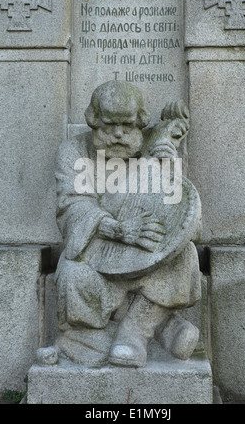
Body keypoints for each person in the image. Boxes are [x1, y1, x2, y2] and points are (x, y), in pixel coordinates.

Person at [53, 80, 201, 367]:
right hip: (99, 249)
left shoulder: (153, 146)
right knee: (71, 275)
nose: (118, 134)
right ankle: (162, 327)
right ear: (94, 122)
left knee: (184, 254)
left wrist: (170, 167)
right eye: (109, 126)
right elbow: (72, 206)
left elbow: (186, 221)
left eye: (128, 126)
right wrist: (119, 230)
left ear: (140, 124)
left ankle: (134, 333)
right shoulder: (72, 152)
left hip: (147, 251)